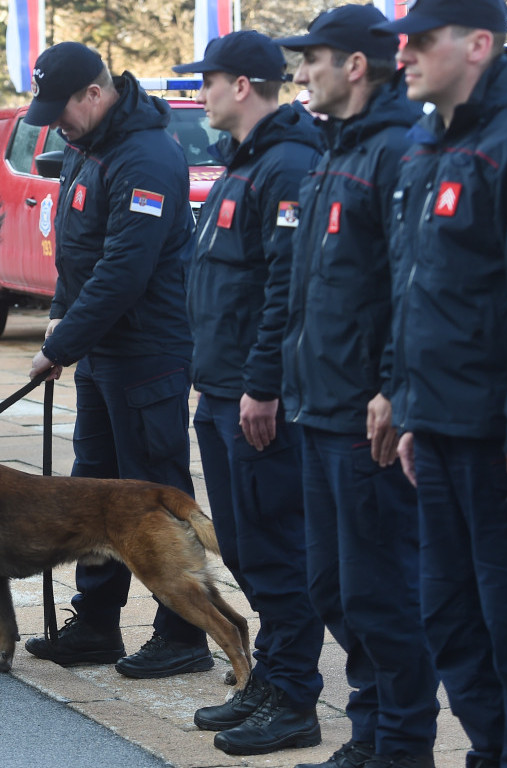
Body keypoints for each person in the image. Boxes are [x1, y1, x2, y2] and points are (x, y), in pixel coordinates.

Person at [371, 1, 507, 766]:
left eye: (422, 42)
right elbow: (417, 288)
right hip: (439, 426)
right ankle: (492, 752)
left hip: (498, 439)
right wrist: (406, 399)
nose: (406, 56)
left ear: (479, 44)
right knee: (451, 620)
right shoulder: (429, 141)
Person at [14, 42, 218, 684]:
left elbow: (124, 270)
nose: (56, 124)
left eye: (62, 109)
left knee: (150, 494)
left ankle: (183, 631)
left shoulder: (147, 156)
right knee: (92, 488)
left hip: (147, 352)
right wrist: (61, 316)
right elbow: (81, 249)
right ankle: (97, 623)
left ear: (95, 95)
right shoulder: (89, 145)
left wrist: (60, 344)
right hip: (103, 349)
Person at [274, 7, 440, 768]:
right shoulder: (333, 151)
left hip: (362, 415)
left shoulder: (397, 151)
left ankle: (399, 743)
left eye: (315, 59)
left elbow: (412, 283)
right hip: (318, 406)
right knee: (333, 589)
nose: (302, 73)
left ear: (358, 67)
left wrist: (389, 385)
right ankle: (370, 732)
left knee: (382, 595)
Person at [177, 30, 326, 757]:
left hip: (256, 400)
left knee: (276, 549)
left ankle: (296, 696)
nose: (198, 93)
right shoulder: (246, 163)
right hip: (221, 393)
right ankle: (273, 676)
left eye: (207, 81)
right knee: (241, 544)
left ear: (243, 86)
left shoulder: (287, 164)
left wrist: (262, 384)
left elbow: (283, 292)